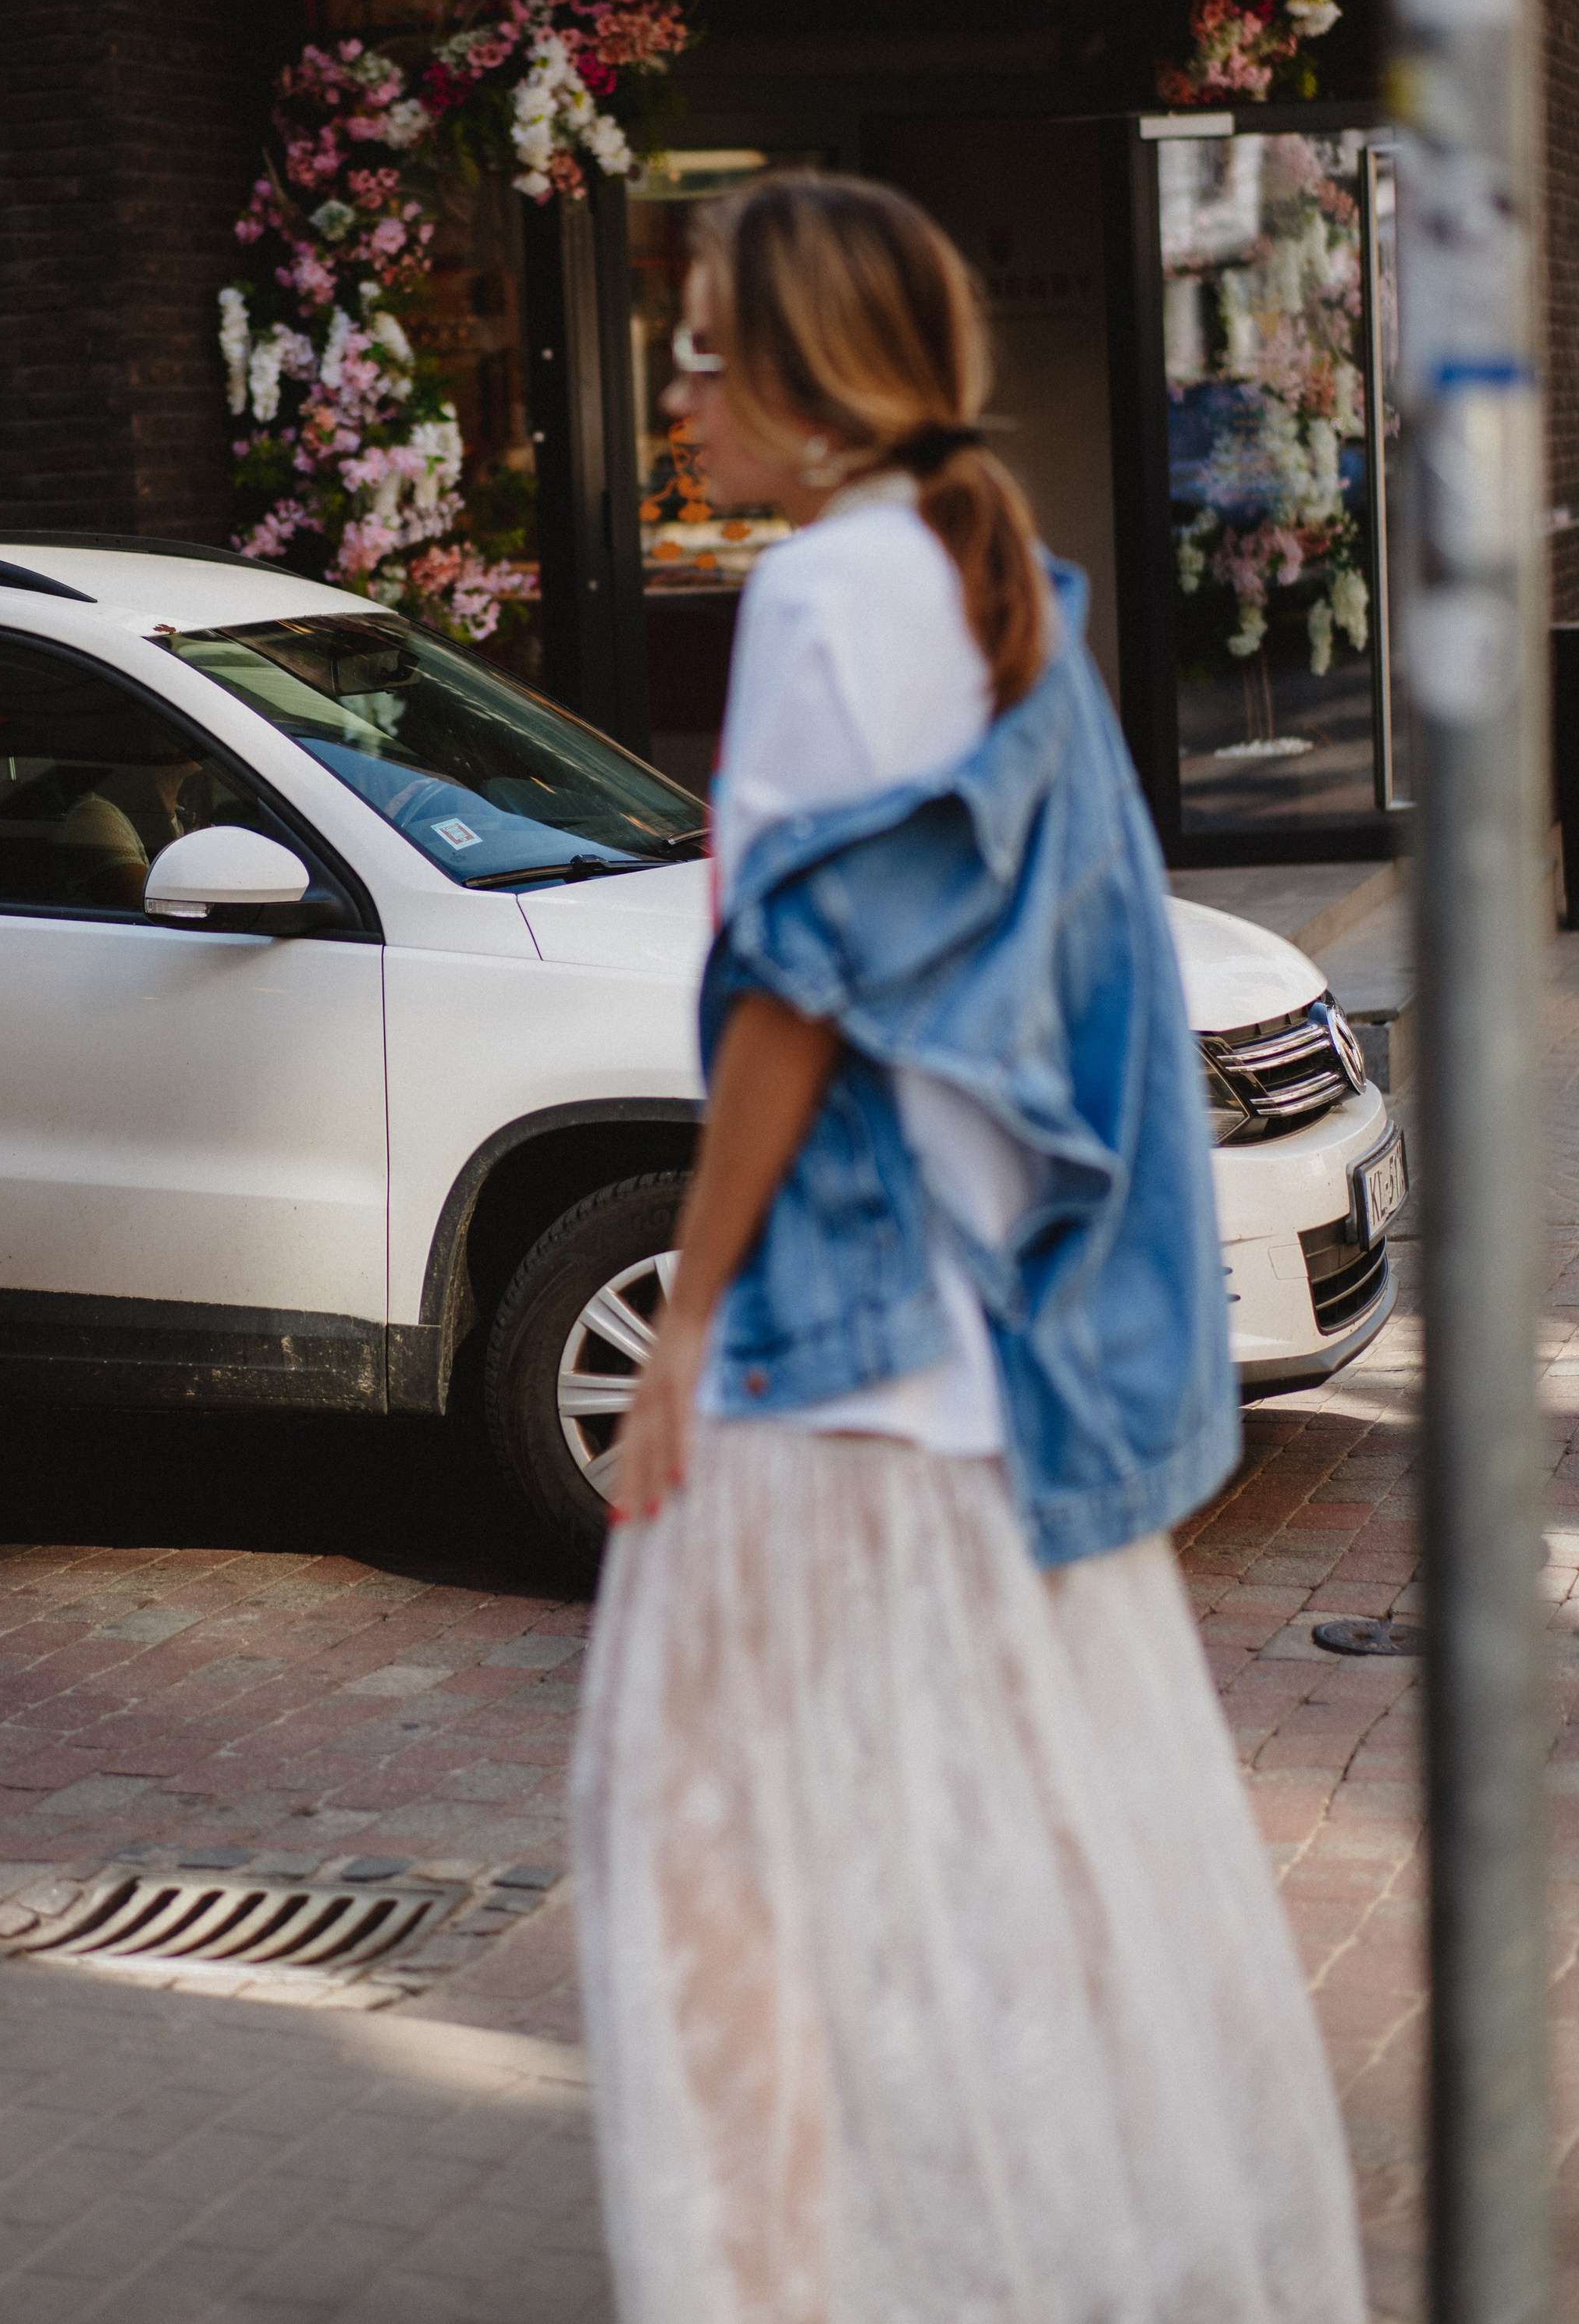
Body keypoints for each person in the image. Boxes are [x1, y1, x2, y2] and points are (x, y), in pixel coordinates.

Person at [571, 174, 1367, 2324]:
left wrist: (686, 1322)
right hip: (993, 1348)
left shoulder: (828, 596)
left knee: (713, 1863)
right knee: (1011, 1843)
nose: (678, 390)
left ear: (818, 381)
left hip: (839, 1350)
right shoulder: (972, 580)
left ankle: (784, 2287)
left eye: (708, 348)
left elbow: (795, 1002)